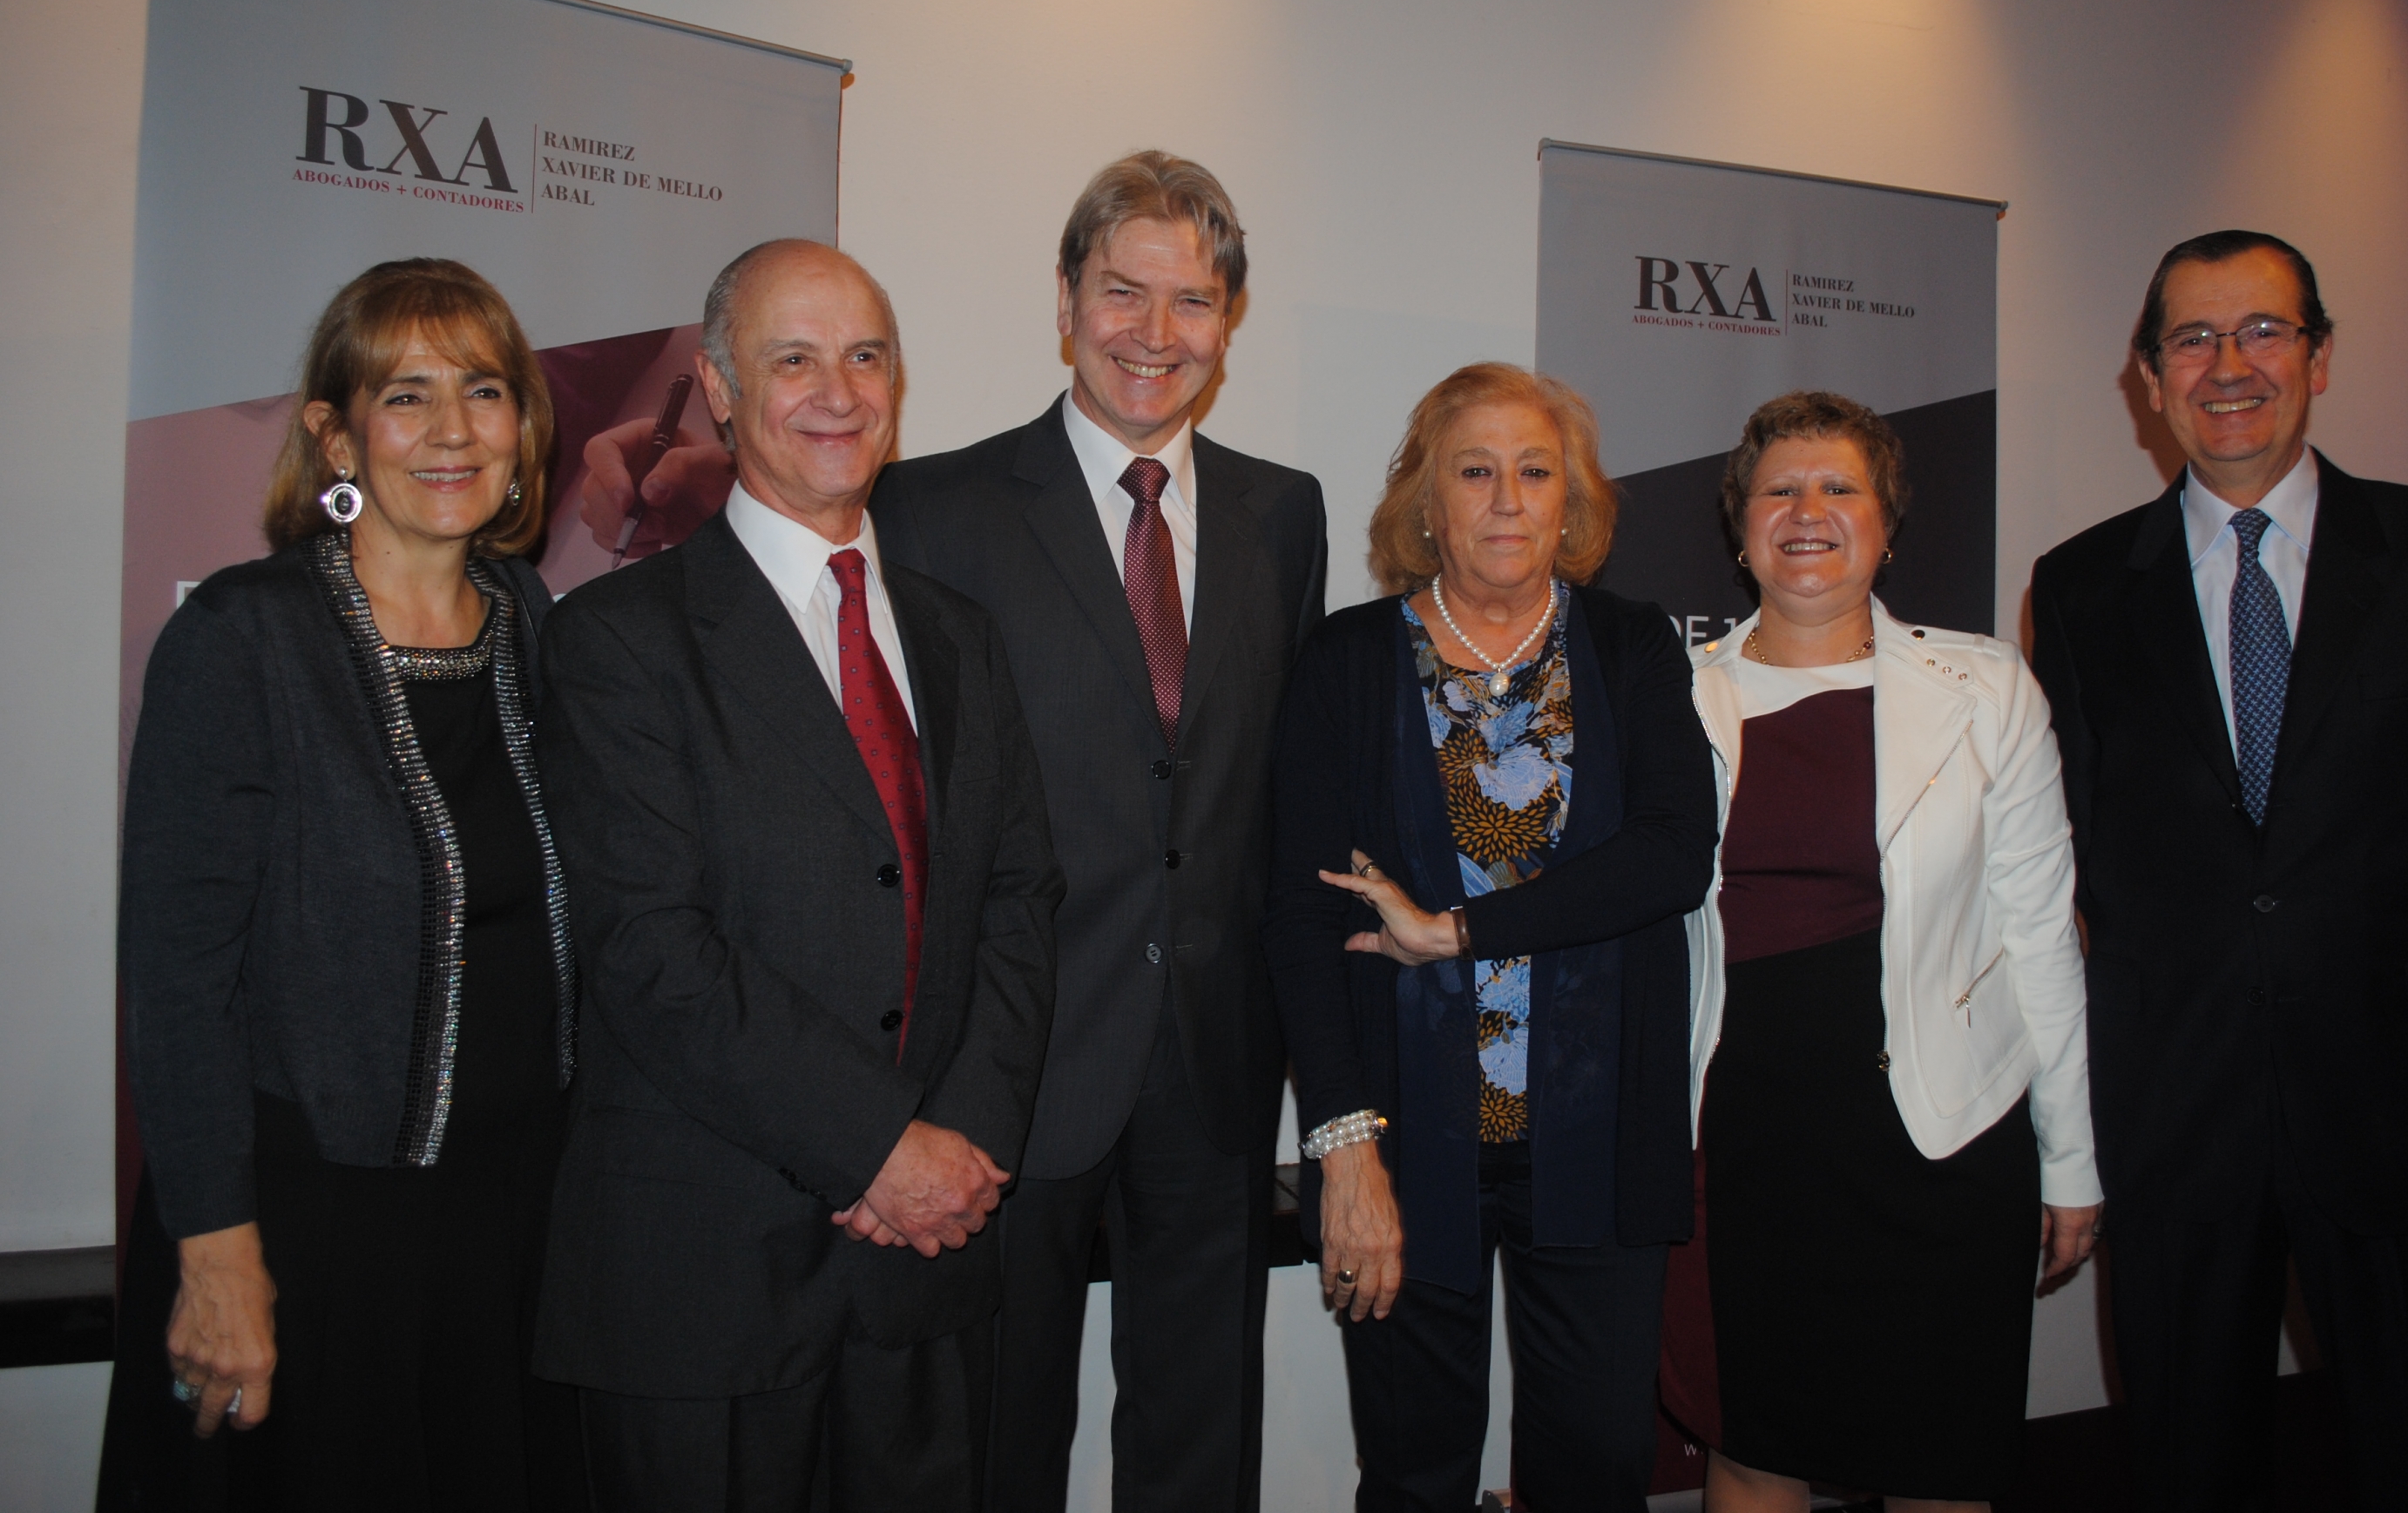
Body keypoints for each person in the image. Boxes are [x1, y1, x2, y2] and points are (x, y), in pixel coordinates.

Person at [531, 240, 1062, 1510]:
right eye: (794, 358)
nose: (839, 390)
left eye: (866, 355)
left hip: (923, 1279)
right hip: (703, 1282)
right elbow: (653, 953)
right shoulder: (617, 640)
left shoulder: (957, 636)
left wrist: (962, 1147)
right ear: (718, 388)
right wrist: (879, 1150)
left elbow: (1021, 900)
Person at [2031, 231, 2408, 1510]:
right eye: (2190, 340)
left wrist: (2379, 976)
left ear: (2318, 354)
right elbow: (2082, 843)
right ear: (2148, 380)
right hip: (2180, 1106)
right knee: (2188, 1454)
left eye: (2261, 330)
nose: (2228, 366)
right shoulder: (2086, 585)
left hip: (2406, 1098)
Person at [869, 152, 1326, 1511]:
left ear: (1228, 323)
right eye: (1123, 291)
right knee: (999, 1437)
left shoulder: (1281, 513)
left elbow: (1268, 787)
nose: (1154, 333)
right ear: (1065, 298)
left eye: (1192, 302)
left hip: (1216, 1066)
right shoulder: (934, 508)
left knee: (1200, 1445)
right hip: (1009, 1066)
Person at [105, 258, 579, 1510]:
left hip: (510, 1225)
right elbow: (178, 978)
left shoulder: (535, 622)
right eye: (405, 395)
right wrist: (216, 1255)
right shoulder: (243, 638)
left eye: (483, 391)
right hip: (309, 1227)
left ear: (524, 425)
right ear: (336, 433)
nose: (452, 432)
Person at [1262, 361, 1717, 1512]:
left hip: (1599, 1138)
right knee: (1414, 1476)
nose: (1508, 499)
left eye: (1535, 471)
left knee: (1598, 1470)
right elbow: (1304, 920)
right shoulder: (1347, 662)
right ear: (1429, 502)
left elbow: (1671, 853)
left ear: (1572, 500)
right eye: (1476, 471)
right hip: (1405, 1145)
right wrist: (1344, 1152)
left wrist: (1456, 931)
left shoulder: (1632, 647)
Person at [1656, 390, 2100, 1513]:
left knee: (1939, 1454)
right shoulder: (1670, 697)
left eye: (1840, 486)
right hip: (1743, 1139)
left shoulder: (1988, 687)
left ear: (1888, 524)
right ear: (1740, 525)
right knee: (1755, 1448)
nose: (1809, 510)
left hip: (1947, 1139)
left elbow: (2042, 933)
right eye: (1779, 489)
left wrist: (2073, 1158)